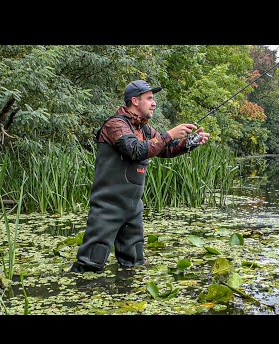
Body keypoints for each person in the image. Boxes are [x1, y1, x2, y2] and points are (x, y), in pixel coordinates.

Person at [71, 80, 210, 273]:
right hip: (108, 206)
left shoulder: (144, 129)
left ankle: (127, 297)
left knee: (134, 263)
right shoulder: (115, 124)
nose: (154, 103)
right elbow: (135, 150)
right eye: (150, 99)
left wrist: (189, 143)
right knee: (90, 265)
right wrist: (169, 134)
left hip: (133, 206)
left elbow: (165, 149)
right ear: (135, 101)